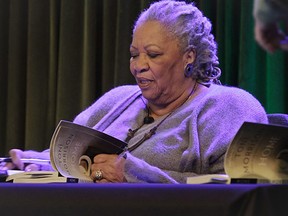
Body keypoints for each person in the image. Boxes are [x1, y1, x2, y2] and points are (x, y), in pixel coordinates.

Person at [0, 0, 268, 183]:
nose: (139, 66)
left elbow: (237, 191)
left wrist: (132, 174)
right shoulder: (119, 100)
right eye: (134, 54)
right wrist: (31, 163)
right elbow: (70, 162)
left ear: (189, 56)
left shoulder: (228, 107)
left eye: (153, 55)